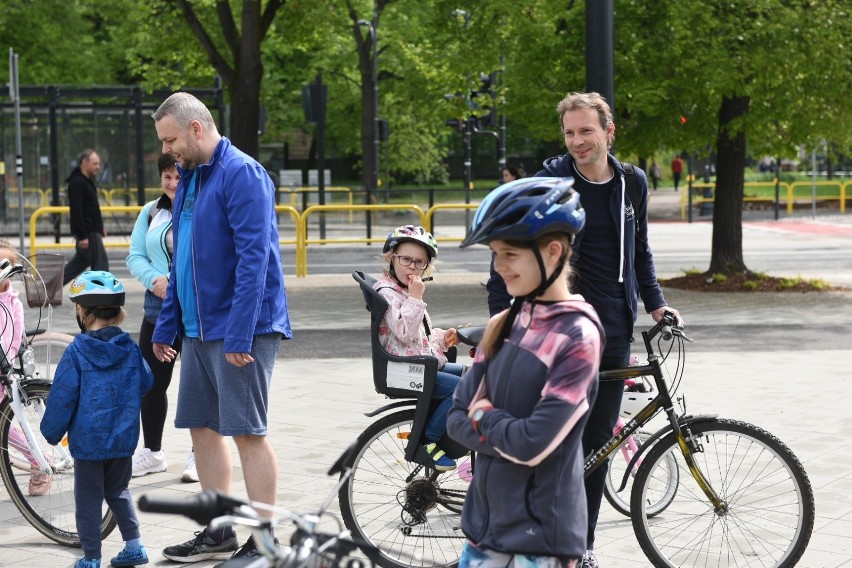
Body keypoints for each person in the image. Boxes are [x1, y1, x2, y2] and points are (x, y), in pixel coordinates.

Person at [533, 91, 682, 568]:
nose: (577, 140)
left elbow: (641, 251)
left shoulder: (631, 182)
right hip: (564, 328)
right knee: (561, 438)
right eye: (570, 132)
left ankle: (582, 546)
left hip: (616, 327)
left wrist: (657, 305)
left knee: (598, 445)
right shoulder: (552, 178)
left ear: (608, 131)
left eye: (586, 131)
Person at [150, 92, 292, 564]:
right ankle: (219, 532)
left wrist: (239, 333)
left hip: (241, 329)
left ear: (195, 128)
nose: (167, 151)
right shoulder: (190, 179)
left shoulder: (243, 173)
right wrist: (167, 326)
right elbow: (181, 259)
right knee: (202, 429)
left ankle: (266, 539)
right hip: (198, 328)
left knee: (247, 432)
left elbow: (257, 260)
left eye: (170, 139)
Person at [448, 178, 604, 568]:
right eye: (495, 254)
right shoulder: (504, 322)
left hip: (539, 542)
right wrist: (499, 429)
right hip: (485, 526)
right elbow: (453, 417)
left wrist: (482, 415)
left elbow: (532, 442)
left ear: (553, 252)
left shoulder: (576, 336)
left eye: (510, 254)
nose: (498, 267)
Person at [40, 271, 154, 568]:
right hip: (123, 440)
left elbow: (63, 396)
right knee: (118, 491)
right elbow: (147, 381)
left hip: (89, 445)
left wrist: (50, 432)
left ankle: (91, 558)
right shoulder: (129, 347)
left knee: (88, 502)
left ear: (83, 312)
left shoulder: (77, 352)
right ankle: (135, 546)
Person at [125, 154, 196, 482]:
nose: (171, 183)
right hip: (157, 309)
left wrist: (179, 281)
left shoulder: (197, 207)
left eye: (177, 177)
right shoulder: (151, 212)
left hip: (196, 311)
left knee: (198, 386)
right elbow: (134, 255)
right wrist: (157, 280)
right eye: (166, 177)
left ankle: (200, 455)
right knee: (151, 383)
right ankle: (152, 452)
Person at [374, 225, 462, 471]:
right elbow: (405, 333)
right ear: (392, 258)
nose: (412, 267)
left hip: (414, 363)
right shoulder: (389, 293)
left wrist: (443, 338)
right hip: (404, 370)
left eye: (419, 262)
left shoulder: (401, 291)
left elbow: (417, 337)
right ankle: (427, 441)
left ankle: (447, 432)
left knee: (470, 376)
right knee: (462, 389)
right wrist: (416, 298)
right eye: (406, 260)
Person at [0, 241, 53, 496]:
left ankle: (37, 460)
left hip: (3, 370)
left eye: (6, 264)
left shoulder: (13, 302)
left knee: (4, 424)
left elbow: (15, 337)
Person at [63, 149, 109, 285]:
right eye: (95, 164)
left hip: (92, 231)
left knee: (82, 262)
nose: (98, 167)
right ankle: (102, 296)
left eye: (98, 164)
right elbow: (76, 211)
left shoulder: (86, 181)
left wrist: (100, 228)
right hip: (88, 233)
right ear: (84, 163)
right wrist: (82, 236)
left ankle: (49, 289)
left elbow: (92, 208)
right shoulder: (77, 183)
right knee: (101, 267)